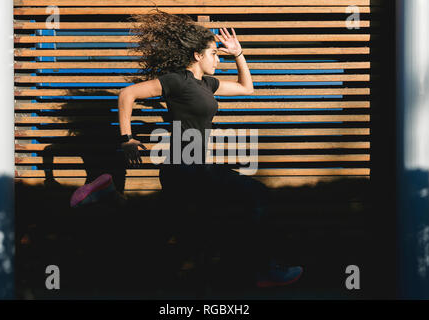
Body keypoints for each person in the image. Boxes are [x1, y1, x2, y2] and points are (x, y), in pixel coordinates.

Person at [70, 10, 303, 288]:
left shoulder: (207, 84)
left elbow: (246, 88)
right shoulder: (177, 80)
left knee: (162, 226)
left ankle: (108, 196)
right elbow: (127, 94)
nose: (218, 58)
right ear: (197, 56)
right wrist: (126, 138)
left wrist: (238, 53)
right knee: (254, 196)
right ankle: (262, 270)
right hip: (185, 166)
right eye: (214, 53)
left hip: (189, 167)